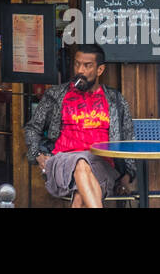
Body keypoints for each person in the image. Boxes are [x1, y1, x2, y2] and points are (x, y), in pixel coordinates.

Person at [23, 43, 134, 208]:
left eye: (87, 65)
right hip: (62, 161)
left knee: (79, 199)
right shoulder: (56, 95)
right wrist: (37, 154)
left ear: (100, 70)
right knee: (81, 162)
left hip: (103, 164)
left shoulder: (115, 100)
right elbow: (32, 128)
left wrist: (127, 177)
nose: (80, 70)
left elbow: (128, 138)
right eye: (77, 64)